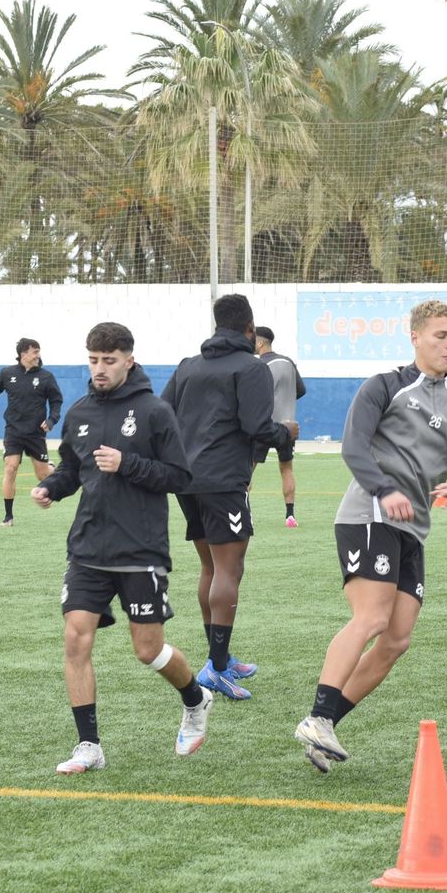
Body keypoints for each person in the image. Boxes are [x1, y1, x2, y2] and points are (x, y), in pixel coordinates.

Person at [294, 300, 447, 772]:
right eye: (441, 336)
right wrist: (384, 490)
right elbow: (353, 447)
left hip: (413, 528)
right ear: (415, 337)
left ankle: (324, 727)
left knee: (397, 639)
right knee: (371, 618)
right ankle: (318, 717)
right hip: (368, 515)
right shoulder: (386, 386)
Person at [32, 321, 210, 774]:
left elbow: (179, 476)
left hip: (140, 548)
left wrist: (127, 463)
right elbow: (73, 469)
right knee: (76, 637)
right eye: (93, 360)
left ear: (129, 360)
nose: (100, 369)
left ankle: (195, 697)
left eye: (109, 361)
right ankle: (88, 745)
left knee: (148, 650)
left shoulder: (155, 411)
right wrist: (52, 487)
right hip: (88, 547)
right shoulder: (79, 412)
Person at [160, 294, 295, 701]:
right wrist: (286, 433)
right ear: (250, 329)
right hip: (222, 480)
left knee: (211, 567)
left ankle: (219, 657)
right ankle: (217, 667)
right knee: (229, 569)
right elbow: (257, 426)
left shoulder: (188, 366)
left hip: (186, 480)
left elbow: (163, 414)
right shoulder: (251, 367)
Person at [0, 338, 63, 527]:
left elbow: (56, 401)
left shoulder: (46, 377)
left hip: (35, 433)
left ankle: (52, 468)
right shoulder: (7, 373)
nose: (38, 355)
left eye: (39, 351)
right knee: (10, 468)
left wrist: (51, 420)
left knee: (43, 476)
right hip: (13, 431)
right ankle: (8, 516)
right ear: (23, 354)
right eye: (35, 352)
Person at [252, 326, 306, 528]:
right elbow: (300, 390)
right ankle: (290, 516)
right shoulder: (289, 362)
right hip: (288, 426)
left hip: (265, 425)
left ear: (260, 343)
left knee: (248, 469)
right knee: (287, 469)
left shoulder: (259, 365)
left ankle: (245, 512)